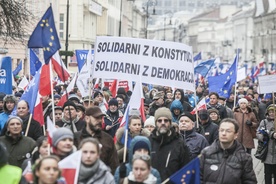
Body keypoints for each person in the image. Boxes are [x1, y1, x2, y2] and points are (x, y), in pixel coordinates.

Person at [200, 118, 257, 183]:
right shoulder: (206, 153)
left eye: (228, 131)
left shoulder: (244, 158)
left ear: (235, 135)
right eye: (221, 130)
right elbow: (198, 177)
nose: (224, 133)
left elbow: (250, 181)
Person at [149, 107, 191, 182]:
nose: (162, 123)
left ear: (170, 123)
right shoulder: (149, 142)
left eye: (166, 120)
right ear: (155, 123)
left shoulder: (179, 144)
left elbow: (186, 170)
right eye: (159, 121)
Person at [75, 106, 119, 174]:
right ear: (87, 118)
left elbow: (114, 164)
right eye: (96, 118)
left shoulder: (108, 139)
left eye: (101, 118)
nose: (100, 121)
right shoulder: (76, 137)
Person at [256, 104, 276, 184]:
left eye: (274, 112)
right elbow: (258, 133)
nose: (272, 113)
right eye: (270, 112)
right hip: (267, 151)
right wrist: (263, 137)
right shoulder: (264, 122)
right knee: (267, 173)